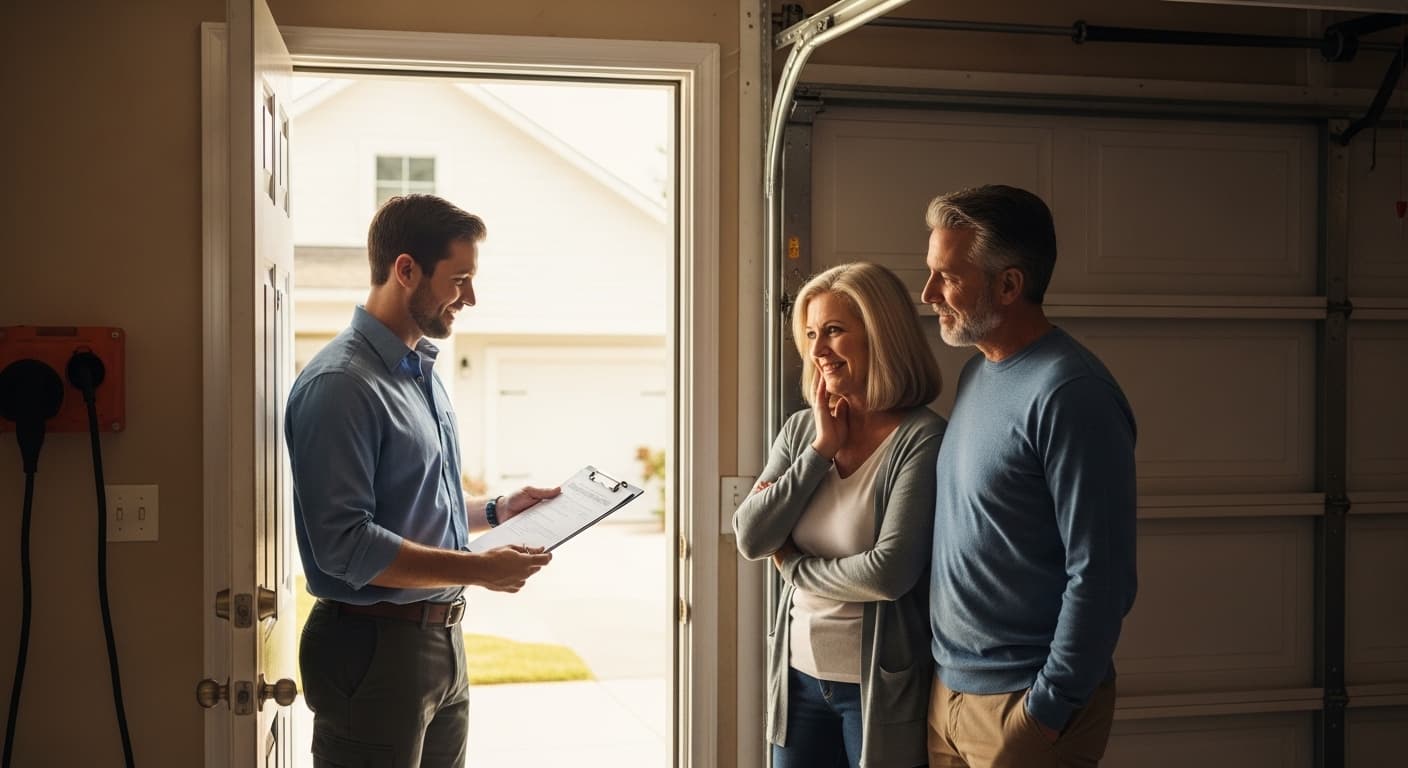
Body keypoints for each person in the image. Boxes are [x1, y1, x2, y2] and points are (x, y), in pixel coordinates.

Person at [285, 194, 556, 767]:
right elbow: (345, 544)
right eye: (459, 279)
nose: (470, 298)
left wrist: (497, 510)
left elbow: (415, 501)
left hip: (441, 642)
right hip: (371, 649)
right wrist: (479, 571)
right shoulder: (341, 384)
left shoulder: (421, 374)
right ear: (405, 270)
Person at [921, 185, 1137, 768]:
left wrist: (1046, 712)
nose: (928, 295)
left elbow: (1103, 575)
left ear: (1010, 285)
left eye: (948, 277)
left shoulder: (1072, 393)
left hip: (1025, 706)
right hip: (949, 697)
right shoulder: (976, 374)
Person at [734, 262, 946, 768]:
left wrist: (794, 566)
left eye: (833, 330)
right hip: (797, 677)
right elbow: (750, 536)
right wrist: (821, 450)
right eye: (810, 334)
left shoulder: (921, 439)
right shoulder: (802, 430)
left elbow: (889, 572)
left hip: (876, 687)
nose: (817, 350)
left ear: (880, 334)